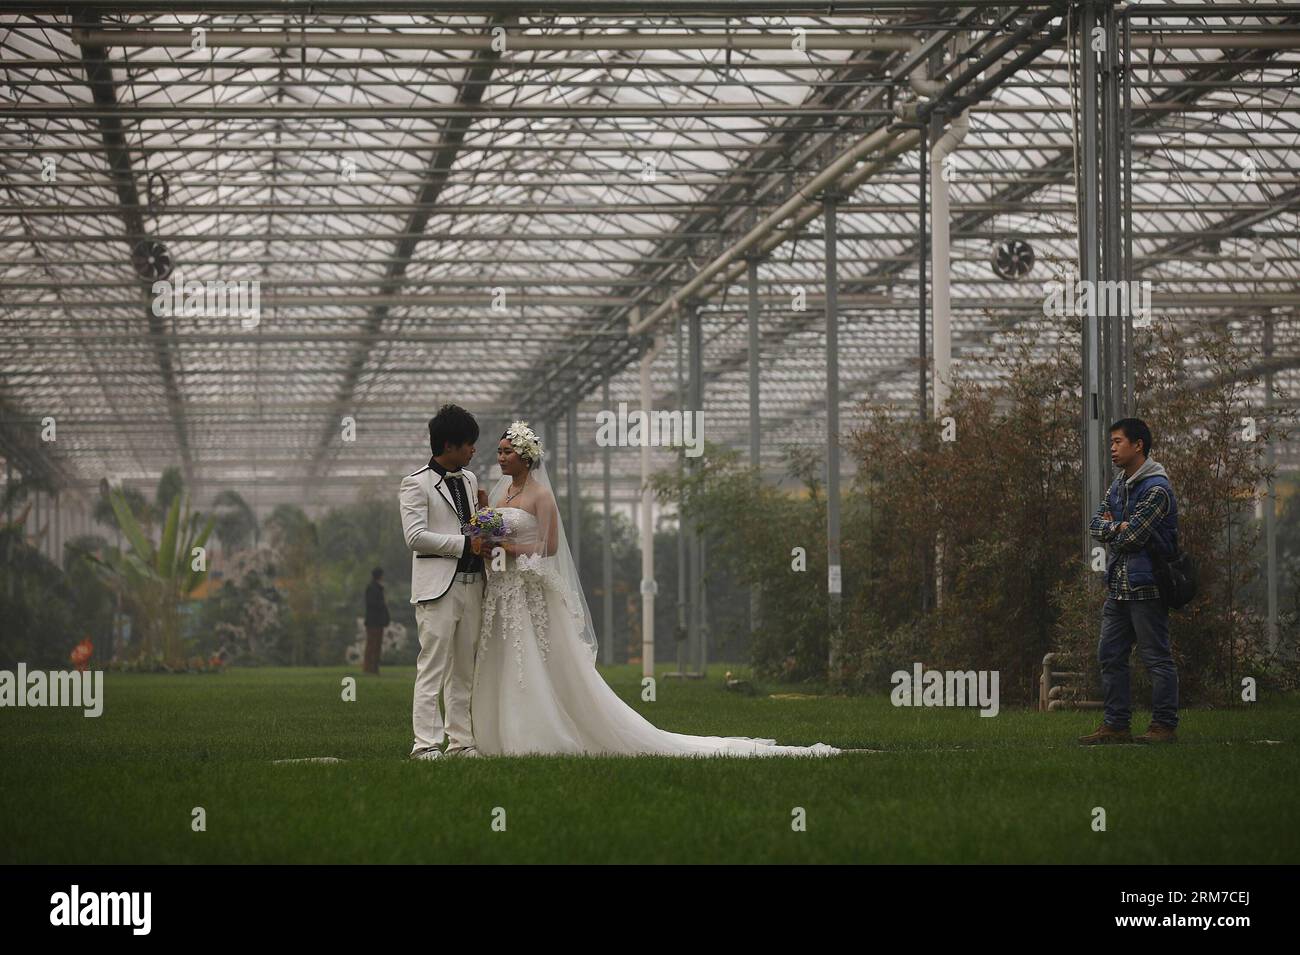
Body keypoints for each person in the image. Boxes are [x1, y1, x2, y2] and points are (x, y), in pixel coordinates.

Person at [468, 420, 840, 758]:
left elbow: (548, 547)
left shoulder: (541, 496)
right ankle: (497, 734)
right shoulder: (501, 496)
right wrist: (486, 532)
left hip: (531, 589)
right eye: (499, 451)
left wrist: (509, 550)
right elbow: (495, 532)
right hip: (504, 589)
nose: (501, 458)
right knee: (505, 656)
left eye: (507, 451)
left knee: (534, 659)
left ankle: (539, 734)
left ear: (526, 457)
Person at [1079, 417, 1180, 745]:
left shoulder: (1157, 489)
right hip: (1119, 588)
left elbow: (1133, 538)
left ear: (1139, 445)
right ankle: (1116, 725)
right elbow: (1095, 524)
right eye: (1111, 442)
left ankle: (1164, 726)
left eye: (1118, 441)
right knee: (1109, 654)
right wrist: (1116, 528)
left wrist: (1118, 528)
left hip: (1147, 587)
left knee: (1156, 658)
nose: (1112, 448)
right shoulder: (1119, 485)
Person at [398, 404, 485, 761]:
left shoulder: (470, 480)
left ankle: (461, 743)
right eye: (468, 444)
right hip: (437, 590)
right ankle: (425, 745)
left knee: (465, 668)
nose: (473, 451)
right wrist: (465, 544)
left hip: (473, 584)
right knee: (432, 667)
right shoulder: (415, 484)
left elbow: (475, 528)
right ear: (449, 445)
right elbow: (415, 537)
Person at [362, 567, 389, 674]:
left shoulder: (374, 587)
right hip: (374, 621)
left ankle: (373, 668)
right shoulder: (374, 588)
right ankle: (370, 668)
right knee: (373, 645)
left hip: (375, 621)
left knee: (374, 645)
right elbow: (373, 604)